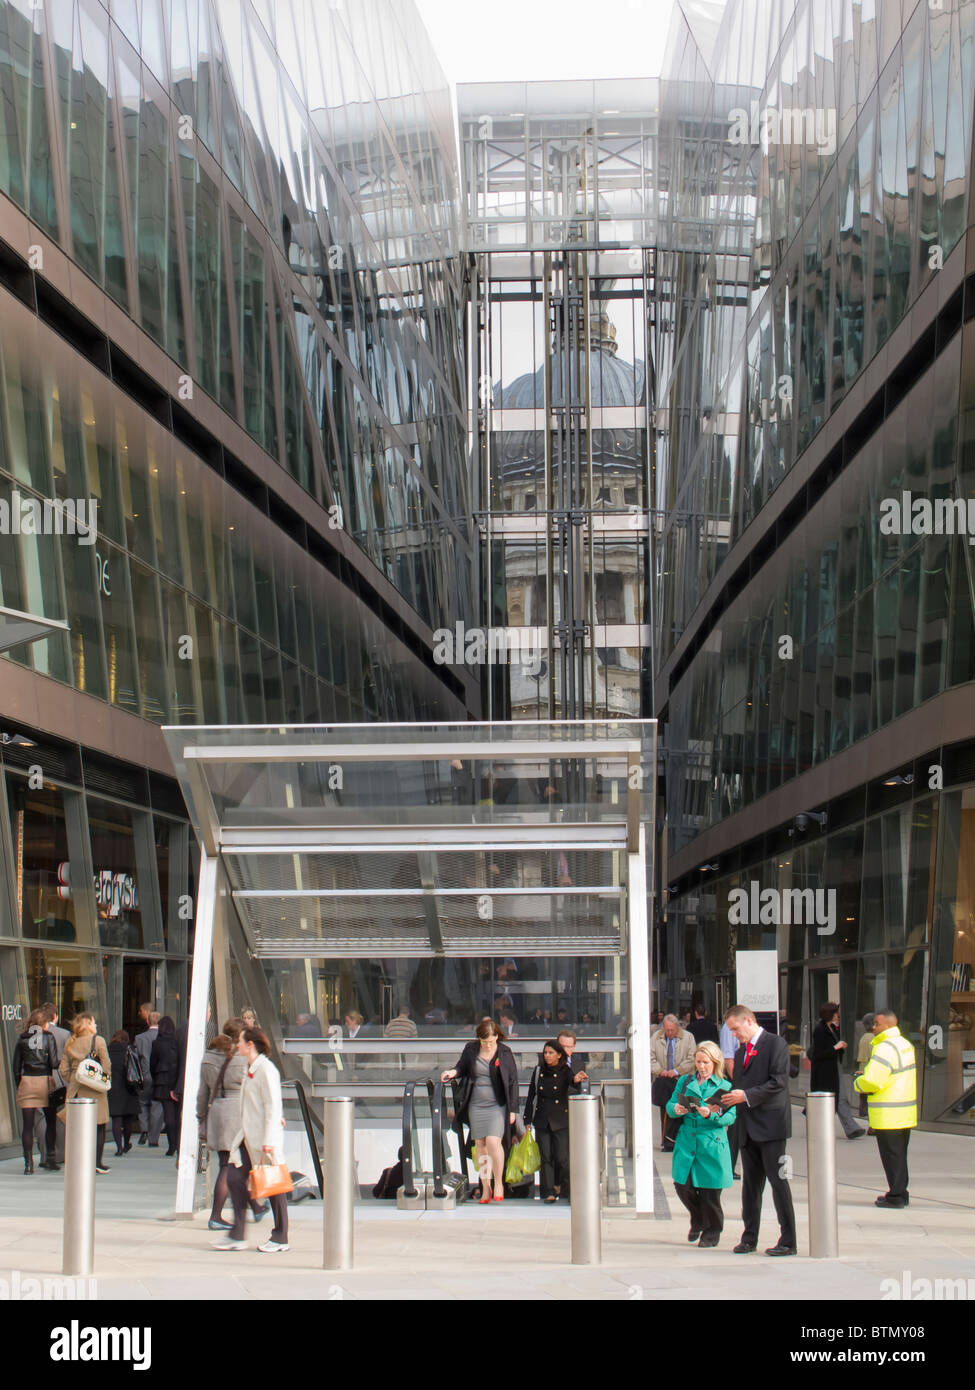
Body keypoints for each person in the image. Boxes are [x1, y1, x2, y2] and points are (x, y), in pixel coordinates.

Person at [721, 1004, 797, 1256]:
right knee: (750, 1187)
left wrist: (747, 1096)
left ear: (748, 1021)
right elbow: (739, 1085)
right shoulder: (743, 1051)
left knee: (778, 1183)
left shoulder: (775, 1044)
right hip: (748, 1127)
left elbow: (779, 1081)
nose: (734, 1035)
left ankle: (788, 1240)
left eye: (735, 1029)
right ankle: (749, 1237)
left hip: (771, 1126)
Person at [215, 1026, 289, 1253]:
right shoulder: (252, 1068)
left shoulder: (266, 1070)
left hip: (262, 1140)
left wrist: (270, 1138)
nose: (237, 1045)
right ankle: (237, 1234)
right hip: (248, 1138)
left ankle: (280, 1237)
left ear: (250, 1045)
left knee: (274, 1186)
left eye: (240, 1042)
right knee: (236, 1179)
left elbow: (272, 1105)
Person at [197, 1021, 269, 1231]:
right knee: (231, 1167)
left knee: (232, 1164)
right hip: (237, 1113)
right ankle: (217, 1215)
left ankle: (255, 1207)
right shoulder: (243, 1060)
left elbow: (203, 1093)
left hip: (217, 1112)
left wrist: (201, 1116)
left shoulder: (208, 1058)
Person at [442, 1018, 519, 1202]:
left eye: (491, 1041)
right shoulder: (471, 1049)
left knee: (493, 1142)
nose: (487, 1044)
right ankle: (485, 1187)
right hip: (476, 1104)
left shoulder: (505, 1052)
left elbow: (512, 1081)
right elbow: (462, 1066)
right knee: (481, 1147)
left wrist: (513, 1109)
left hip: (497, 1104)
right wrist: (452, 1072)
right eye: (484, 1041)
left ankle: (498, 1182)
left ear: (497, 1037)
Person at [667, 1041, 736, 1246]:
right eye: (698, 1062)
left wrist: (711, 1115)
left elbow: (730, 1117)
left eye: (706, 1062)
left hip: (711, 1142)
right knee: (682, 1185)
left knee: (710, 1192)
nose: (702, 1066)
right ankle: (698, 1219)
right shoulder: (686, 1081)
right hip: (687, 1140)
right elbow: (670, 1104)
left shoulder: (724, 1086)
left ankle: (712, 1231)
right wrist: (676, 1109)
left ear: (715, 1063)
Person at [853, 1010, 917, 1208]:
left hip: (888, 1113)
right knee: (899, 1155)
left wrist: (858, 1082)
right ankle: (901, 1192)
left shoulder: (884, 1048)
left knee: (891, 1157)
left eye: (877, 1024)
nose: (874, 1027)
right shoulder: (905, 1044)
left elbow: (873, 1080)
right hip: (904, 1111)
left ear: (888, 1025)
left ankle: (896, 1196)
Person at [524, 1041, 578, 1202]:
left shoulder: (564, 1070)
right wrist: (527, 1119)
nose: (547, 1056)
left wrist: (577, 1079)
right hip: (542, 1118)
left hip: (560, 1119)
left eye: (551, 1053)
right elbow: (531, 1095)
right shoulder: (539, 1071)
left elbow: (573, 1082)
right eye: (545, 1053)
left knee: (562, 1157)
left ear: (559, 1055)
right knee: (545, 1156)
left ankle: (564, 1188)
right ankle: (548, 1191)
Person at [59, 1013, 112, 1174]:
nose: (96, 1026)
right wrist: (101, 1079)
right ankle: (97, 1162)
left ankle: (79, 1162)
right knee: (99, 1125)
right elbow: (106, 1065)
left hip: (76, 1089)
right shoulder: (99, 1040)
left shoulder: (71, 1042)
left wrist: (75, 1078)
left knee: (78, 1128)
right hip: (96, 1088)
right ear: (88, 1024)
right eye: (94, 1023)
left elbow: (63, 1069)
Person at [808, 1002, 866, 1140]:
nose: (838, 1016)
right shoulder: (820, 1030)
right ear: (830, 1014)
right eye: (836, 1014)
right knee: (835, 1099)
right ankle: (850, 1128)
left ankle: (851, 1128)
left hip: (834, 1068)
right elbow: (818, 1054)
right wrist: (835, 1047)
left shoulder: (832, 1028)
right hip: (825, 1072)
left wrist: (839, 1047)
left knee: (838, 1098)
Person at [12, 1009, 59, 1173]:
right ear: (45, 1023)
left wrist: (21, 1083)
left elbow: (16, 1067)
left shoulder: (22, 1039)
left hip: (28, 1081)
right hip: (45, 1081)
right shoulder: (48, 1037)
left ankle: (28, 1164)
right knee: (51, 1122)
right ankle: (50, 1159)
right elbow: (54, 1063)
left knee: (27, 1125)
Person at [650, 1014, 696, 1151]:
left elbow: (692, 1058)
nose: (670, 1033)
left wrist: (677, 1071)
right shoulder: (656, 1038)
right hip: (663, 1080)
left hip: (681, 1079)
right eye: (667, 1030)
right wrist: (660, 1070)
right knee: (666, 1110)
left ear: (677, 1028)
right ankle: (667, 1141)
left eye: (672, 1030)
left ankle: (680, 1140)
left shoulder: (688, 1037)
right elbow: (650, 1057)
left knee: (682, 1109)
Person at [150, 1016, 180, 1156]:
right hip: (177, 1079)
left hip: (162, 1079)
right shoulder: (177, 1042)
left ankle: (172, 1145)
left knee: (168, 1114)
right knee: (177, 1113)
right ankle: (179, 1144)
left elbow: (152, 1063)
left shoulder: (157, 1043)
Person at [107, 1030, 139, 1156]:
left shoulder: (107, 1050)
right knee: (128, 1119)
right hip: (128, 1086)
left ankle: (118, 1147)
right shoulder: (129, 1049)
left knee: (116, 1119)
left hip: (113, 1087)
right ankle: (126, 1144)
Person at [719, 1014, 741, 1177]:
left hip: (741, 1085)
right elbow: (728, 1058)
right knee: (734, 1127)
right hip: (736, 1083)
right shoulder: (729, 1028)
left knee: (736, 1128)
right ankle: (727, 1167)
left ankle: (727, 1167)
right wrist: (739, 1083)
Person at [135, 1011, 161, 1145]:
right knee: (156, 1105)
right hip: (158, 1076)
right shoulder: (163, 1037)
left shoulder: (139, 1038)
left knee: (143, 1103)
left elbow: (137, 1057)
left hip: (144, 1075)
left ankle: (144, 1129)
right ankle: (154, 1137)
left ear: (147, 1021)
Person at [855, 1013, 876, 1119]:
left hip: (862, 1066)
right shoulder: (873, 1038)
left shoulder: (864, 1037)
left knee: (863, 1095)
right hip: (868, 1068)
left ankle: (862, 1111)